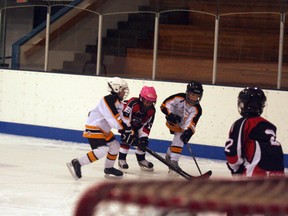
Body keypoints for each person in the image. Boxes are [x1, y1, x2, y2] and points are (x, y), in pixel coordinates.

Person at [66, 77, 134, 179]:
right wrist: (125, 130)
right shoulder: (108, 100)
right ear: (116, 89)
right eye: (123, 89)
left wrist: (130, 131)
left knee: (115, 146)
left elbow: (122, 119)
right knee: (102, 150)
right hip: (94, 127)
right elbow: (113, 119)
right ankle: (78, 162)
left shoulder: (119, 103)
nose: (125, 92)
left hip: (103, 130)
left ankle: (109, 168)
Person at [224, 87, 284, 177]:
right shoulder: (270, 126)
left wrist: (236, 170)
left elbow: (233, 153)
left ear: (243, 104)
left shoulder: (242, 123)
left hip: (254, 176)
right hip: (278, 177)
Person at [160, 80, 203, 174]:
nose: (193, 98)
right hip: (172, 121)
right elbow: (163, 105)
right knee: (179, 136)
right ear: (187, 93)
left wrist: (188, 133)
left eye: (196, 96)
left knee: (180, 137)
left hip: (183, 126)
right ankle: (173, 162)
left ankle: (170, 155)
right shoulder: (179, 97)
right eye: (191, 94)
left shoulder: (197, 109)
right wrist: (170, 115)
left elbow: (192, 124)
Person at [118, 86, 157, 172]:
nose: (148, 104)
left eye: (151, 102)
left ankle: (141, 160)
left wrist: (143, 137)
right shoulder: (133, 104)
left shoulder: (152, 111)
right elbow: (124, 118)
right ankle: (121, 159)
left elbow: (147, 125)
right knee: (127, 139)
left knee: (144, 142)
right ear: (141, 98)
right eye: (147, 101)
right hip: (123, 122)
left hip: (137, 125)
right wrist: (130, 132)